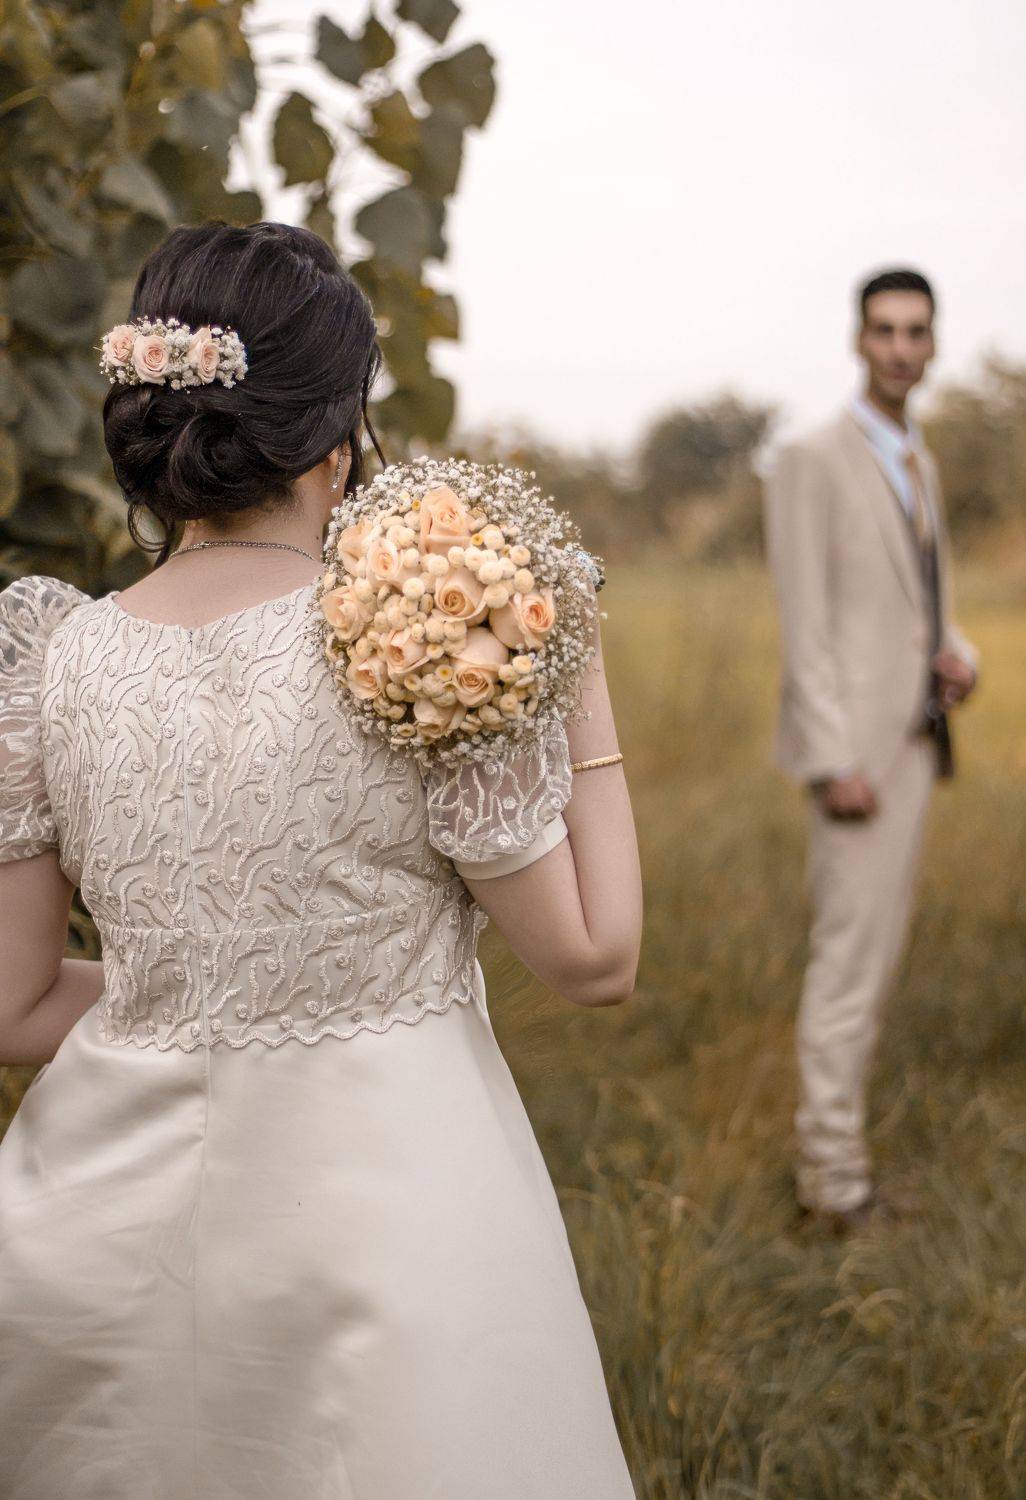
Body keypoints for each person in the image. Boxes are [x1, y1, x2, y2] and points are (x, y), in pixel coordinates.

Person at [0, 220, 643, 1498]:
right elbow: (596, 957)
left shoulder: (52, 664)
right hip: (391, 1236)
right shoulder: (412, 642)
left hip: (102, 1241)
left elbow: (13, 1009)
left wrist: (192, 991)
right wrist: (577, 675)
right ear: (340, 434)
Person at [763, 267, 978, 1233]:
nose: (900, 348)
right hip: (855, 759)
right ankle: (833, 1185)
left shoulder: (916, 457)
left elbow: (924, 602)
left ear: (932, 344)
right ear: (858, 340)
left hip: (915, 741)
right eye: (884, 330)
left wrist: (960, 655)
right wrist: (830, 759)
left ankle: (839, 1164)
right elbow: (804, 620)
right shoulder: (811, 457)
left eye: (916, 332)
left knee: (877, 957)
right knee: (848, 967)